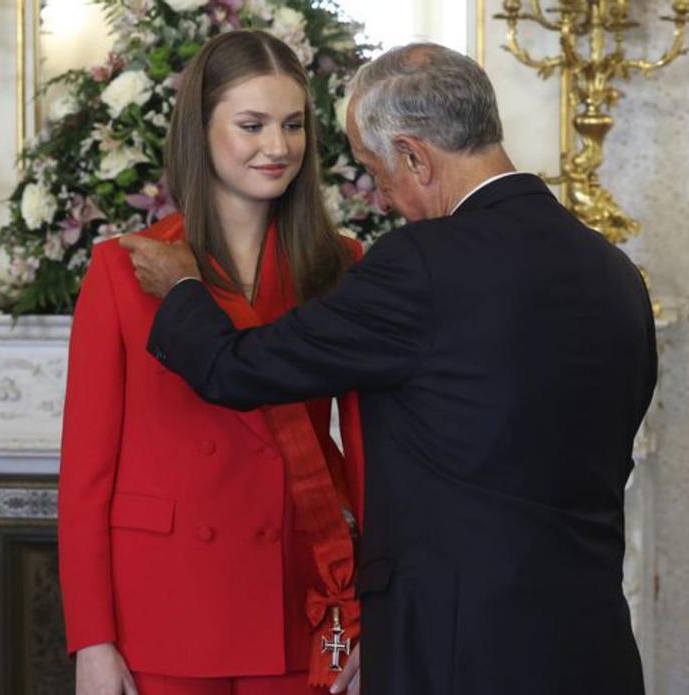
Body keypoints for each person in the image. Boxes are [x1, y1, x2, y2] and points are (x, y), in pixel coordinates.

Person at [122, 43, 657, 695]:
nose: (388, 197)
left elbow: (237, 369)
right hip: (591, 642)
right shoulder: (614, 271)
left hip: (456, 651)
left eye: (379, 174)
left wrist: (183, 289)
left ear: (413, 155)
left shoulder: (423, 264)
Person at [58, 30, 367, 695]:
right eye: (252, 125)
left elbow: (376, 462)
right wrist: (91, 637)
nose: (277, 147)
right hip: (160, 606)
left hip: (297, 596)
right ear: (201, 131)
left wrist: (377, 612)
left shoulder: (341, 267)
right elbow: (86, 472)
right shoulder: (123, 268)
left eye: (292, 125)